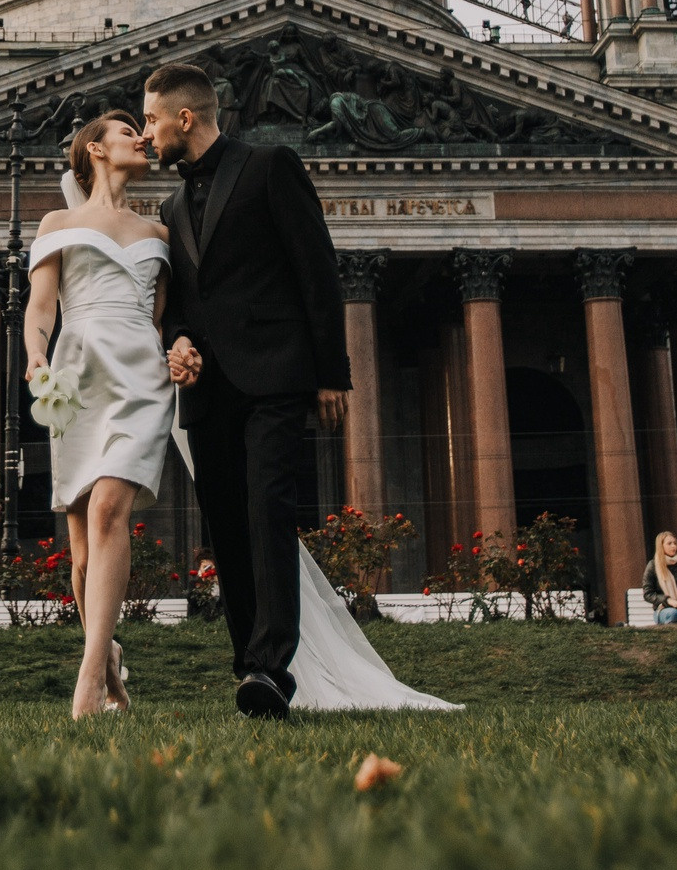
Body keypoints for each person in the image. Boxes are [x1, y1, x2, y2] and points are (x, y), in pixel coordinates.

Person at [146, 62, 455, 718]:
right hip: (208, 388)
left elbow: (317, 269)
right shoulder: (171, 204)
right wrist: (176, 339)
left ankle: (270, 665)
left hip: (273, 375)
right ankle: (247, 663)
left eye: (150, 119)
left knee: (269, 511)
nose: (146, 135)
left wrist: (329, 373)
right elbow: (178, 300)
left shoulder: (269, 166)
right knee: (226, 528)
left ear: (185, 117)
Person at [23, 110, 170, 719]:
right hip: (78, 372)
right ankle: (107, 661)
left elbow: (163, 319)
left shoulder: (160, 233)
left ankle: (85, 684)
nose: (141, 136)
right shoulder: (57, 222)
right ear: (96, 150)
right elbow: (40, 308)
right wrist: (36, 359)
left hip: (139, 373)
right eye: (126, 131)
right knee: (82, 553)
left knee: (112, 508)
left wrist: (177, 352)